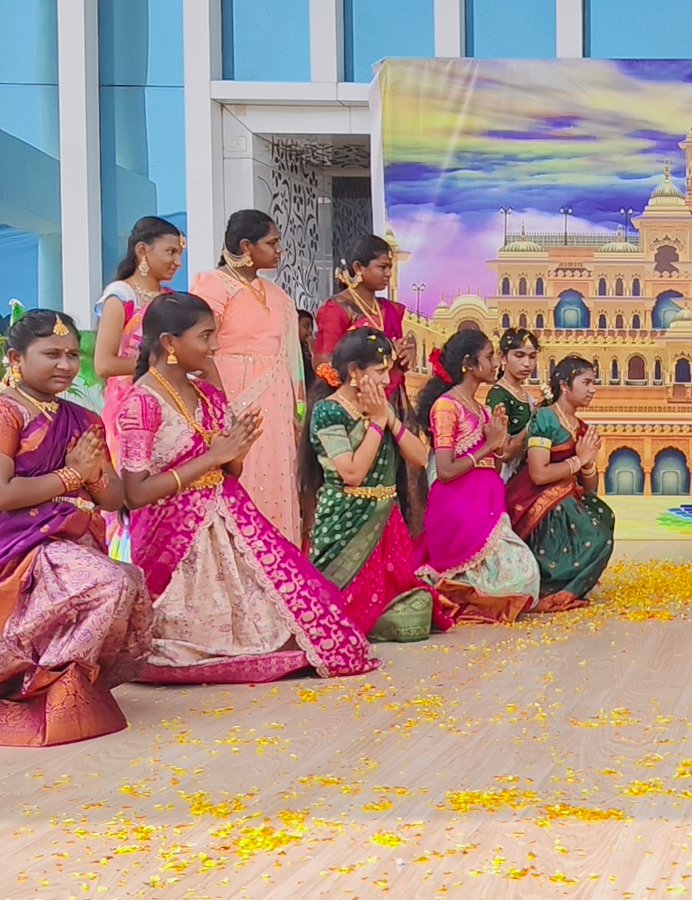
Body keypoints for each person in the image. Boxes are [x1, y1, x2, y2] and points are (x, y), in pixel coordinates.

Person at [117, 294, 378, 683]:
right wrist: (213, 456)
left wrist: (235, 451)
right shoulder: (141, 403)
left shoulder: (208, 394)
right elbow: (135, 493)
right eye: (205, 337)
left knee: (326, 630)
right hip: (174, 540)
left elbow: (230, 472)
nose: (215, 347)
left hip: (231, 518)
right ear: (170, 343)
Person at [0, 311, 154, 746]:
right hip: (18, 542)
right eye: (51, 354)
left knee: (128, 580)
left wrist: (92, 474)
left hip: (68, 538)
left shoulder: (83, 419)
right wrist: (72, 476)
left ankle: (65, 682)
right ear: (16, 358)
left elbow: (113, 498)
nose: (65, 365)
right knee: (107, 582)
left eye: (71, 354)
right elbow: (3, 493)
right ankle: (39, 683)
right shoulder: (7, 412)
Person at [305, 329, 447, 642]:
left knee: (415, 614)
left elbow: (420, 457)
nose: (386, 380)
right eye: (380, 371)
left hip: (387, 523)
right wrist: (378, 423)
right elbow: (352, 473)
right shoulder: (329, 411)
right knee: (344, 614)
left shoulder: (381, 407)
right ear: (354, 371)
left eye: (389, 371)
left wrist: (389, 419)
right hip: (346, 521)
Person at [187, 209, 305, 545]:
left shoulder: (278, 295)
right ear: (246, 246)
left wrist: (298, 411)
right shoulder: (214, 285)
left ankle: (275, 562)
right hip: (232, 396)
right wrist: (221, 407)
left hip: (276, 405)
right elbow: (199, 347)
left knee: (276, 479)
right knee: (241, 473)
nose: (279, 249)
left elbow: (291, 359)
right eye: (272, 242)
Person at [412, 329, 539, 620]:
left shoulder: (482, 411)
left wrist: (499, 444)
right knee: (521, 574)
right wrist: (489, 446)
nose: (495, 363)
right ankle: (454, 589)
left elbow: (494, 467)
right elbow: (445, 471)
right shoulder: (447, 406)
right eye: (490, 357)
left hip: (486, 507)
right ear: (469, 364)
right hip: (458, 510)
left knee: (525, 575)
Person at [315, 236, 425, 533]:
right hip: (355, 409)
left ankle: (403, 544)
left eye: (391, 267)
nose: (388, 273)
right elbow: (324, 364)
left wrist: (404, 356)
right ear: (358, 268)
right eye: (382, 267)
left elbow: (394, 360)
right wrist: (358, 395)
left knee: (407, 480)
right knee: (362, 477)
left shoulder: (389, 310)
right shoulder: (337, 309)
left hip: (394, 402)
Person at [502, 355, 616, 610]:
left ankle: (566, 586)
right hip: (535, 499)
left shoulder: (582, 427)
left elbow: (590, 488)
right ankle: (550, 586)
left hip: (566, 496)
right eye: (586, 382)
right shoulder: (546, 418)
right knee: (592, 532)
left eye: (594, 383)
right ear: (564, 385)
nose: (593, 389)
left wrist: (588, 463)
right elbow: (538, 474)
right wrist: (579, 460)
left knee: (602, 515)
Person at [95, 216, 184, 463]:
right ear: (142, 250)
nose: (178, 262)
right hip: (130, 402)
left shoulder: (171, 298)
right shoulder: (121, 296)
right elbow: (104, 364)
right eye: (171, 252)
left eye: (180, 254)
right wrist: (158, 366)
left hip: (170, 398)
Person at [486, 328, 541, 475]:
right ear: (503, 358)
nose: (527, 363)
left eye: (532, 356)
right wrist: (533, 421)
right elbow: (504, 453)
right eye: (519, 355)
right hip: (510, 476)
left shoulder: (524, 394)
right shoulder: (498, 396)